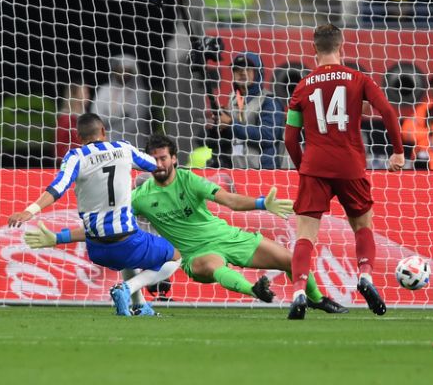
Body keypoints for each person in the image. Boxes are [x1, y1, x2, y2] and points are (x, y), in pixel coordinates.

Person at [129, 134, 347, 313]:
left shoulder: (190, 180)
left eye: (163, 158)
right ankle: (254, 290)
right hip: (195, 255)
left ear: (174, 159)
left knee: (291, 260)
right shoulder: (140, 197)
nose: (158, 164)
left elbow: (230, 200)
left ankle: (316, 299)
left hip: (228, 237)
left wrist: (262, 203)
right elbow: (116, 216)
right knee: (214, 265)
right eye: (153, 159)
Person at [284, 23, 405, 320]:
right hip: (350, 164)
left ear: (314, 49)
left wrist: (305, 167)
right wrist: (398, 152)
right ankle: (365, 275)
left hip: (315, 165)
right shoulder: (358, 79)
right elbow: (388, 111)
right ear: (342, 47)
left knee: (305, 235)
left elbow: (289, 138)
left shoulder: (303, 86)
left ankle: (299, 291)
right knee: (363, 226)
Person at [9, 113, 181, 317]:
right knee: (179, 255)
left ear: (79, 138)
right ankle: (128, 288)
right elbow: (158, 166)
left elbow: (58, 187)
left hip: (97, 250)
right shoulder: (123, 149)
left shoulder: (75, 157)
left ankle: (139, 306)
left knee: (124, 258)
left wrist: (29, 211)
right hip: (127, 241)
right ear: (103, 132)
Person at [218, 52, 284, 169]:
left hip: (264, 170)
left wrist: (231, 124)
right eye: (237, 69)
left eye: (248, 68)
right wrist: (219, 127)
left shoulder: (269, 101)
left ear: (258, 72)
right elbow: (232, 135)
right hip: (237, 169)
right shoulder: (233, 98)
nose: (242, 72)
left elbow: (269, 135)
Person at [92, 53, 151, 150]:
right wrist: (119, 117)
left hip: (133, 144)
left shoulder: (139, 93)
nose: (123, 74)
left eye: (127, 71)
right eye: (120, 70)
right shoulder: (104, 90)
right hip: (107, 144)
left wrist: (110, 125)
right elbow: (96, 116)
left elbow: (135, 122)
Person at [55, 82, 91, 163]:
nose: (88, 95)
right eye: (85, 92)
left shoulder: (87, 117)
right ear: (75, 95)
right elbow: (59, 149)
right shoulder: (65, 119)